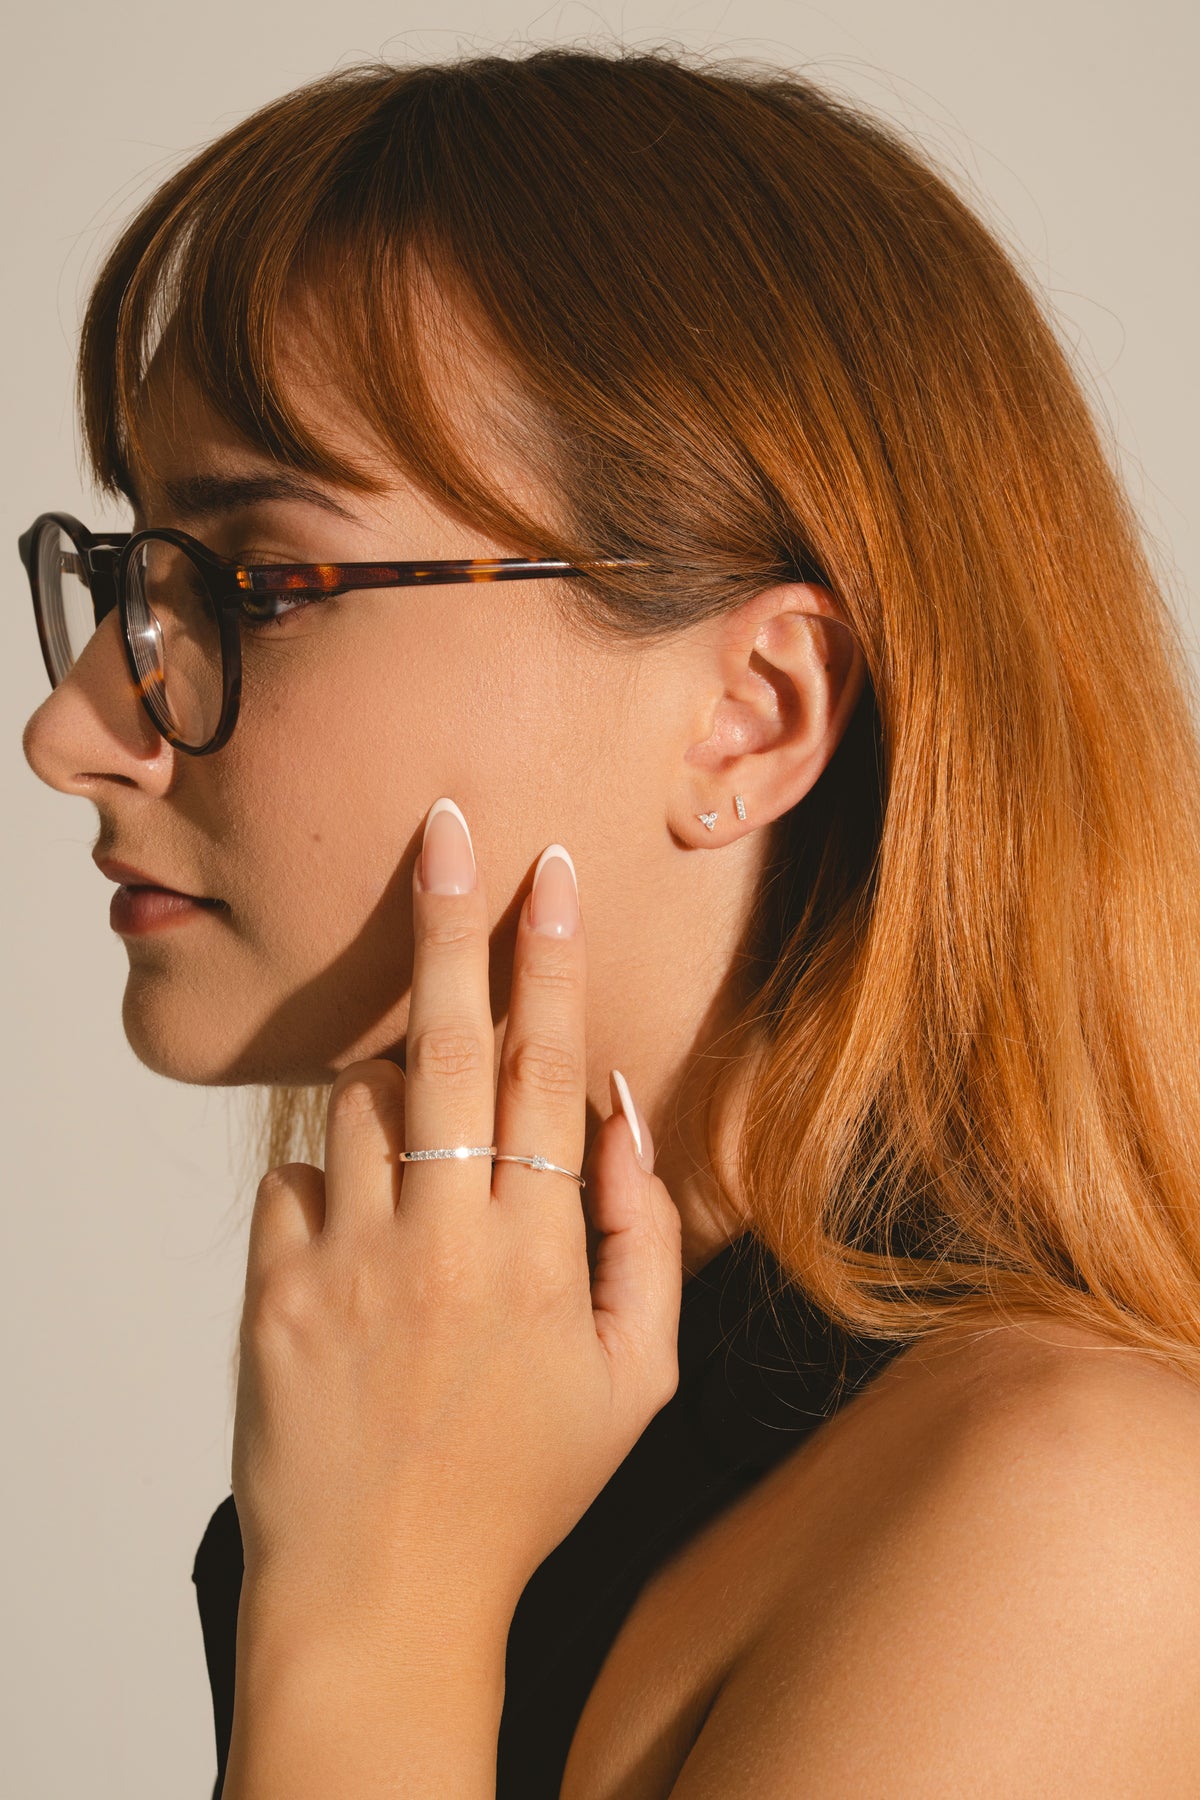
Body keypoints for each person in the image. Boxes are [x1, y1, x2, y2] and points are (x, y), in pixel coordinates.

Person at [20, 45, 1200, 1798]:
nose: (71, 732)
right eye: (128, 580)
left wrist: (375, 1605)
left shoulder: (1086, 1521)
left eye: (254, 582)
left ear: (756, 710)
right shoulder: (503, 1430)